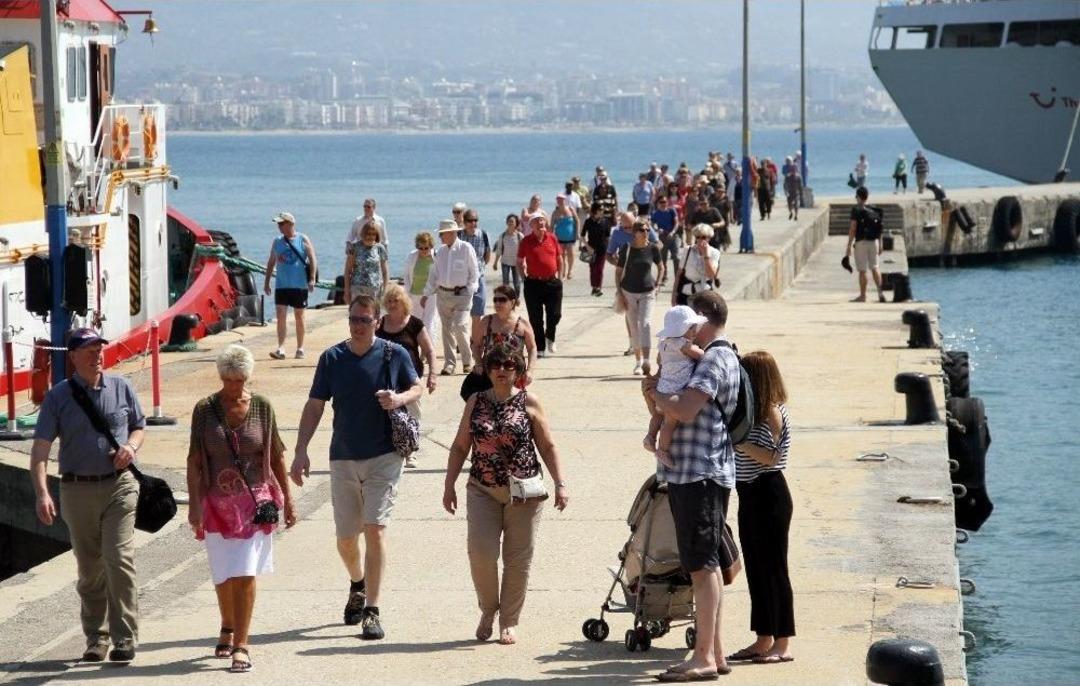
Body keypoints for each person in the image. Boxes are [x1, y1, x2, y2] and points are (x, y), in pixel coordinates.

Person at [290, 295, 422, 641]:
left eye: (365, 320)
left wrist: (398, 399)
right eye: (353, 319)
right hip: (343, 457)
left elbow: (417, 386)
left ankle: (372, 612)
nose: (358, 325)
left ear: (377, 322)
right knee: (347, 538)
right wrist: (301, 450)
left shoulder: (394, 354)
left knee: (374, 529)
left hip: (384, 455)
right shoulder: (332, 358)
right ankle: (357, 583)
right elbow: (315, 405)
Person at [30, 328, 145, 664]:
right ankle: (97, 637)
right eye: (90, 350)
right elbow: (40, 451)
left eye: (100, 349)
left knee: (118, 559)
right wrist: (42, 493)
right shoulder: (58, 397)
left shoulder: (121, 387)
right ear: (73, 356)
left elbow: (139, 426)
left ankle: (124, 637)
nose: (98, 355)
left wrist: (131, 447)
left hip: (119, 486)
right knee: (90, 568)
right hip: (76, 489)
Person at [644, 291, 741, 681]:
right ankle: (714, 652)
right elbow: (674, 407)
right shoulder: (715, 356)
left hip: (699, 471)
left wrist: (654, 392)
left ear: (700, 320)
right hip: (701, 471)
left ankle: (702, 658)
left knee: (701, 567)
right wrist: (658, 397)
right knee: (708, 564)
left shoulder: (715, 357)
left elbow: (683, 409)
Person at [443, 343, 569, 645]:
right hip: (482, 488)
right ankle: (488, 609)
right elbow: (460, 446)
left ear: (518, 370)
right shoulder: (475, 401)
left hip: (524, 492)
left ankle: (509, 620)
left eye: (509, 365)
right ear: (487, 370)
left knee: (517, 559)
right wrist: (448, 485)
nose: (502, 370)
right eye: (496, 365)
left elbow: (547, 446)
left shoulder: (529, 401)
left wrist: (560, 483)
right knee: (481, 553)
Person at [185, 344, 297, 673]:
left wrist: (288, 499)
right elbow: (194, 461)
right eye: (230, 380)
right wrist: (194, 506)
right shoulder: (204, 410)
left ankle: (242, 645)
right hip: (216, 502)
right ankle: (227, 624)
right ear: (221, 377)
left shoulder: (262, 407)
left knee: (245, 572)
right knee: (223, 573)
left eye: (241, 380)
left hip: (254, 503)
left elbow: (276, 455)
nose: (236, 386)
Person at [727, 351, 796, 666]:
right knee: (756, 569)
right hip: (750, 494)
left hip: (769, 493)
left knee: (774, 569)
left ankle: (782, 643)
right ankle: (763, 637)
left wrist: (740, 442)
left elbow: (771, 458)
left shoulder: (771, 412)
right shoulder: (751, 412)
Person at [643, 306, 707, 469]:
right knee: (669, 422)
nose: (695, 331)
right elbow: (702, 356)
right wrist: (700, 350)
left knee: (658, 414)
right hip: (675, 390)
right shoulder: (683, 344)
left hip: (663, 386)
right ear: (682, 329)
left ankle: (650, 436)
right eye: (692, 328)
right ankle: (663, 450)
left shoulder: (664, 343)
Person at [377, 283, 437, 449]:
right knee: (387, 416)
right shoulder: (380, 323)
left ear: (404, 301)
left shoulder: (415, 324)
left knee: (412, 415)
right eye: (389, 301)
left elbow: (429, 351)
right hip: (386, 378)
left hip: (410, 378)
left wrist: (432, 375)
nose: (392, 304)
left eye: (395, 300)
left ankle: (411, 449)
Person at [421, 219, 479, 375]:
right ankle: (450, 364)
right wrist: (426, 293)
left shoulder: (466, 248)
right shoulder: (439, 252)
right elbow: (434, 274)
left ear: (452, 233)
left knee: (460, 326)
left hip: (462, 295)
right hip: (443, 295)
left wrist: (470, 290)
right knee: (446, 329)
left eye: (443, 234)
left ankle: (467, 361)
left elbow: (474, 272)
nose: (440, 237)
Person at [462, 284, 538, 398]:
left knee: (511, 405)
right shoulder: (487, 321)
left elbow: (532, 348)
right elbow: (476, 345)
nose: (497, 303)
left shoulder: (522, 324)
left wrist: (530, 371)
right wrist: (478, 363)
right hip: (490, 374)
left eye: (502, 300)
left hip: (513, 374)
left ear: (512, 302)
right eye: (495, 300)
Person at [264, 212, 317, 360]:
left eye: (282, 224)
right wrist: (267, 282)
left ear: (290, 224)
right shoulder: (277, 241)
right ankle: (281, 348)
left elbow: (312, 258)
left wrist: (312, 278)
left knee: (299, 316)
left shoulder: (302, 239)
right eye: (278, 224)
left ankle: (300, 348)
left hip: (299, 285)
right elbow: (271, 262)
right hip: (282, 284)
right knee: (280, 315)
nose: (279, 226)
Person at [615, 220, 664, 376]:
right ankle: (638, 361)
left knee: (645, 323)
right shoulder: (627, 248)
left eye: (647, 230)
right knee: (634, 326)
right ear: (634, 232)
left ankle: (647, 360)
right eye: (642, 230)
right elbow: (618, 272)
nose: (646, 232)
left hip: (648, 292)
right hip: (628, 292)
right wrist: (620, 293)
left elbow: (661, 267)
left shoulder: (653, 248)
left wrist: (658, 285)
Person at [517, 215, 563, 358]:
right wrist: (524, 278)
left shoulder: (552, 238)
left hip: (552, 282)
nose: (541, 223)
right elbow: (519, 261)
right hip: (533, 283)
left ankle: (550, 336)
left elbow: (559, 258)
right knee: (536, 318)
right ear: (531, 226)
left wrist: (560, 278)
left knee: (555, 314)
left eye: (542, 220)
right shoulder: (526, 241)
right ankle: (540, 348)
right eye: (537, 221)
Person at [845, 186, 886, 303]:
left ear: (858, 197)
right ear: (867, 197)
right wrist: (881, 243)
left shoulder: (856, 210)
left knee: (862, 270)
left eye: (856, 197)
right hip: (874, 242)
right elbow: (880, 229)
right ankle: (880, 293)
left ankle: (863, 296)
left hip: (861, 242)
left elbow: (853, 229)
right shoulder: (876, 210)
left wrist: (849, 245)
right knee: (875, 267)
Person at [403, 231, 439, 350]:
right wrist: (407, 292)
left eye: (426, 248)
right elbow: (406, 276)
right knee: (416, 322)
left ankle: (428, 349)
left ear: (431, 246)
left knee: (429, 322)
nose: (423, 250)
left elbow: (438, 277)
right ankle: (415, 347)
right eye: (420, 248)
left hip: (431, 295)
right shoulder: (411, 256)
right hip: (414, 294)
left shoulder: (436, 257)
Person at [672, 224, 722, 307]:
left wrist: (706, 255)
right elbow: (679, 274)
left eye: (703, 237)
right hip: (686, 293)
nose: (700, 240)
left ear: (709, 238)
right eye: (697, 237)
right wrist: (674, 295)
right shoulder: (688, 250)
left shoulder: (714, 253)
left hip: (704, 294)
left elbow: (711, 275)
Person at [459, 208, 492, 330]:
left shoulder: (483, 235)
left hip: (479, 279)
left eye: (475, 220)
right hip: (461, 280)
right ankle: (462, 338)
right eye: (470, 220)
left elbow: (487, 256)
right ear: (464, 222)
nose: (473, 223)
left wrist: (479, 268)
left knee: (477, 314)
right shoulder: (458, 235)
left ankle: (475, 339)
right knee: (461, 314)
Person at [344, 221, 389, 304]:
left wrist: (385, 290)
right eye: (368, 234)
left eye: (373, 234)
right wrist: (346, 291)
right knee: (357, 311)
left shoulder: (380, 248)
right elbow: (348, 271)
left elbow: (385, 272)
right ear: (363, 234)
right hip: (357, 287)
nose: (371, 236)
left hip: (375, 288)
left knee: (374, 312)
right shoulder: (354, 248)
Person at [581, 204, 612, 297]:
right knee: (593, 269)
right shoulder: (588, 221)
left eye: (603, 209)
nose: (602, 211)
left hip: (603, 248)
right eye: (600, 209)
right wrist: (587, 247)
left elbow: (608, 237)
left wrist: (610, 249)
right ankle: (594, 287)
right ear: (595, 210)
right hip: (591, 249)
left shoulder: (606, 221)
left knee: (600, 269)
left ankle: (598, 288)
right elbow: (582, 236)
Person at [652, 195, 681, 285]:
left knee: (676, 257)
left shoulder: (672, 210)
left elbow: (676, 223)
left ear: (667, 202)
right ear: (658, 203)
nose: (663, 204)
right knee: (663, 259)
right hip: (662, 238)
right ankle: (664, 277)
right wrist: (657, 229)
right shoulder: (655, 213)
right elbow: (652, 225)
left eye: (664, 202)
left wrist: (672, 232)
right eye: (661, 202)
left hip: (673, 237)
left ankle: (678, 278)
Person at [551, 194, 579, 281]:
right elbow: (551, 226)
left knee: (570, 254)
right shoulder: (555, 212)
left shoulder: (570, 209)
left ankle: (570, 271)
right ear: (557, 201)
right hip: (559, 238)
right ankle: (563, 272)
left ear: (565, 200)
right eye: (558, 199)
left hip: (570, 236)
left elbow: (577, 221)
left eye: (562, 199)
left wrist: (577, 233)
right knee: (561, 256)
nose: (560, 201)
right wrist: (550, 237)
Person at [494, 214, 523, 294]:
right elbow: (499, 250)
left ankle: (516, 298)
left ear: (516, 223)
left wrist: (524, 262)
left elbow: (524, 250)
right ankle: (507, 299)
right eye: (509, 221)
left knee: (516, 284)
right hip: (505, 262)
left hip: (516, 263)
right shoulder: (502, 236)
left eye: (512, 221)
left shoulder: (520, 236)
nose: (510, 223)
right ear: (506, 222)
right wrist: (495, 262)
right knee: (505, 284)